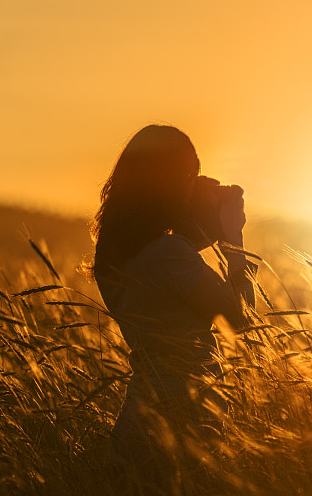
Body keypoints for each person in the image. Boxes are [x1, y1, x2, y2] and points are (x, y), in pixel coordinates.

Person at [91, 124, 257, 492]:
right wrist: (233, 240)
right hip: (180, 423)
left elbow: (170, 273)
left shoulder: (120, 255)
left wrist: (204, 221)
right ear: (164, 181)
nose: (191, 187)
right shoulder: (169, 254)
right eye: (188, 176)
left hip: (142, 420)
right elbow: (243, 320)